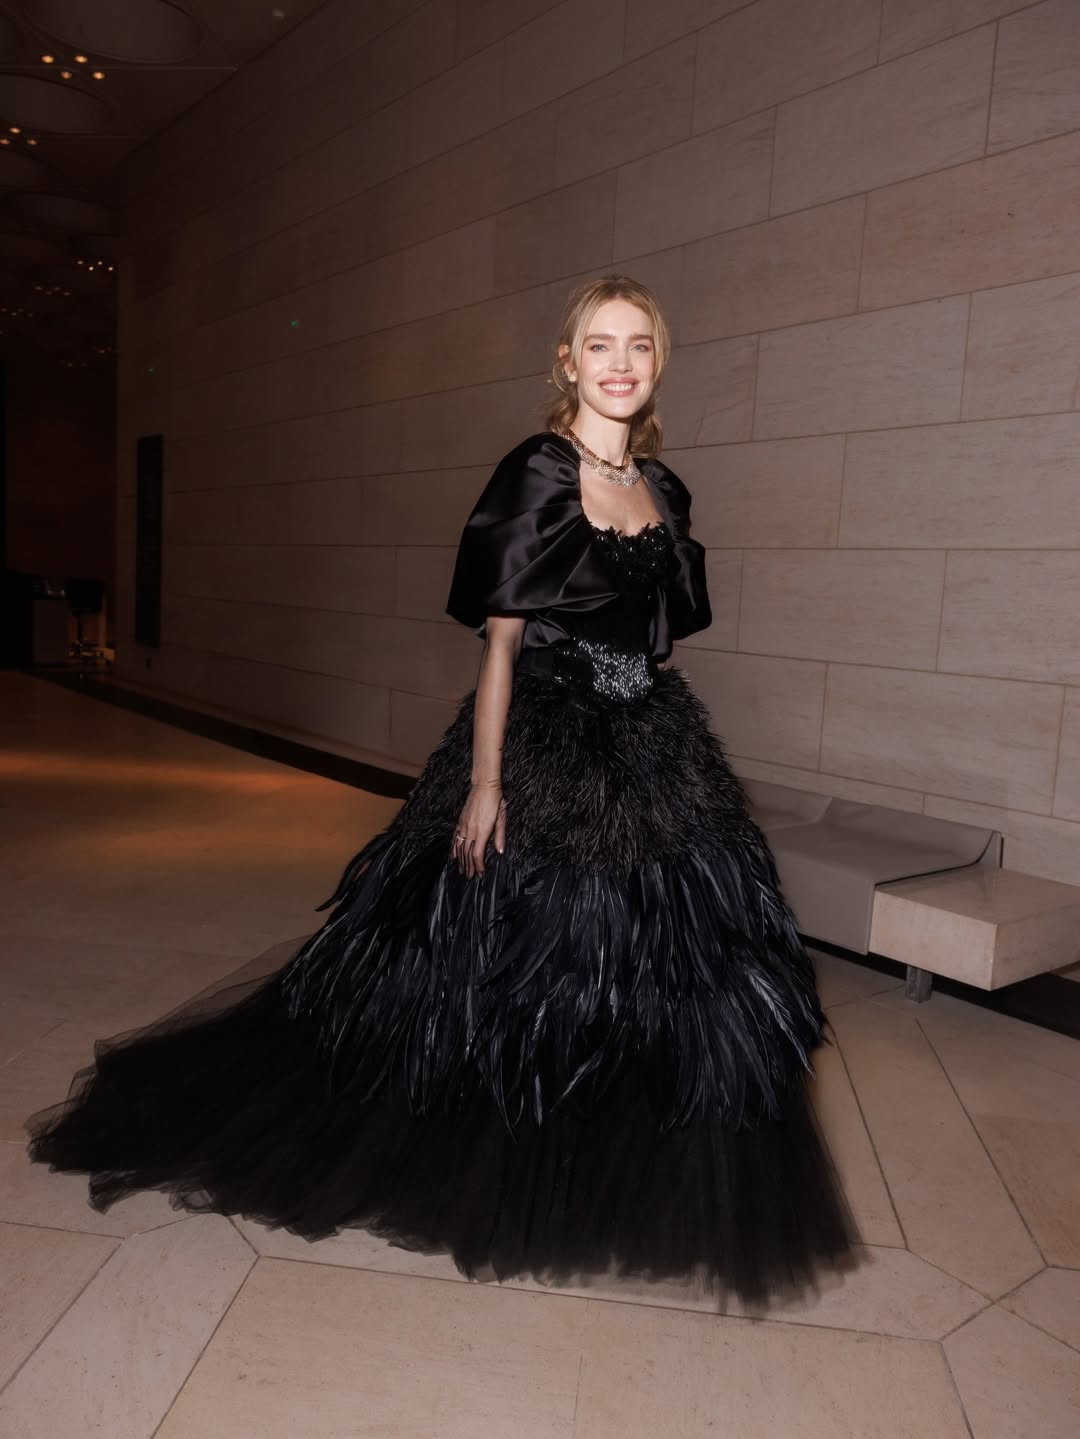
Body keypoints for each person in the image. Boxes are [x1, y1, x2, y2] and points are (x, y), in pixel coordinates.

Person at [26, 274, 858, 1306]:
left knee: (683, 964)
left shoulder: (664, 489)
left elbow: (658, 640)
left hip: (652, 743)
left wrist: (655, 725)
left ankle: (623, 1169)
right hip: (541, 737)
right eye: (599, 345)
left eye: (638, 344)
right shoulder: (537, 473)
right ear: (568, 362)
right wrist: (485, 783)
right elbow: (500, 646)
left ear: (659, 362)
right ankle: (501, 1166)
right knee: (518, 966)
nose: (620, 364)